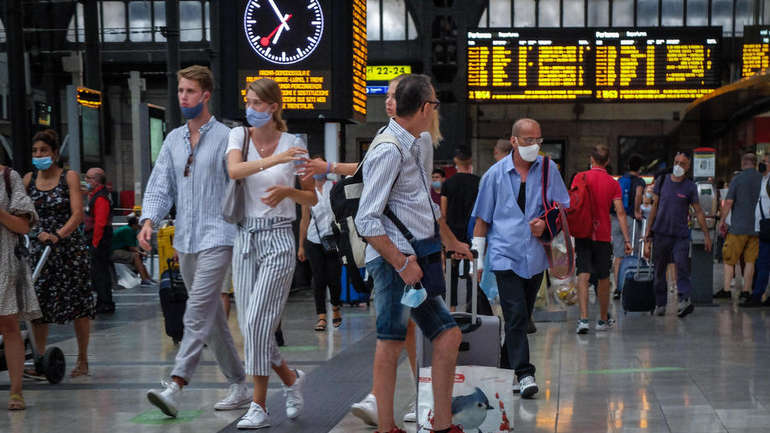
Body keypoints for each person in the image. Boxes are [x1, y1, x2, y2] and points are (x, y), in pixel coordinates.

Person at [356, 74, 472, 433]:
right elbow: (367, 219)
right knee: (391, 340)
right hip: (396, 262)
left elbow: (419, 202)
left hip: (413, 258)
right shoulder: (389, 148)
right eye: (434, 103)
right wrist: (402, 262)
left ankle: (441, 423)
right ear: (424, 108)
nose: (435, 109)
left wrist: (447, 241)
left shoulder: (414, 143)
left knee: (446, 335)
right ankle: (387, 426)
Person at [140, 66, 249, 418]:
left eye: (189, 91)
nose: (183, 97)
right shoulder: (172, 140)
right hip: (185, 238)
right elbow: (160, 185)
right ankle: (239, 384)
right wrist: (148, 220)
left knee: (198, 308)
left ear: (206, 94)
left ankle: (176, 384)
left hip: (220, 234)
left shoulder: (227, 138)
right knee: (212, 318)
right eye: (180, 91)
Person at [226, 77, 315, 429]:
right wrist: (277, 160)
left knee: (256, 323)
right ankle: (292, 379)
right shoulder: (239, 137)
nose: (251, 109)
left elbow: (311, 197)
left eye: (258, 104)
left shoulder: (297, 144)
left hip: (278, 238)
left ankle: (259, 406)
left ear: (274, 106)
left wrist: (287, 193)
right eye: (248, 102)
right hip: (244, 237)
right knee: (253, 330)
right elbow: (234, 170)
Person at [472, 118, 570, 399]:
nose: (534, 146)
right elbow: (482, 220)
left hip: (536, 254)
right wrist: (478, 261)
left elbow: (563, 209)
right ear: (514, 141)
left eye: (538, 140)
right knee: (515, 315)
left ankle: (504, 368)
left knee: (522, 317)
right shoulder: (494, 175)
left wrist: (546, 222)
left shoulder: (549, 171)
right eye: (528, 140)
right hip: (504, 254)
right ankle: (526, 373)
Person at [23, 129, 93, 378]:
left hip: (68, 250)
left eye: (43, 150)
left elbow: (77, 213)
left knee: (78, 304)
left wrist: (59, 235)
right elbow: (24, 213)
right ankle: (40, 359)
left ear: (54, 153)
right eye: (35, 151)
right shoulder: (28, 180)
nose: (39, 155)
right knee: (37, 305)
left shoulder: (69, 177)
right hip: (40, 249)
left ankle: (83, 359)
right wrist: (38, 232)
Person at [644, 151, 712, 317]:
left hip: (680, 235)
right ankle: (660, 303)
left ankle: (684, 300)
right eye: (676, 162)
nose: (678, 166)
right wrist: (648, 233)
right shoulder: (662, 181)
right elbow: (654, 207)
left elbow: (699, 212)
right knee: (659, 270)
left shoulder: (690, 187)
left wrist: (706, 235)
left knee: (682, 266)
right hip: (661, 233)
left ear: (688, 167)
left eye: (682, 163)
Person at [575, 145, 632, 334]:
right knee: (603, 277)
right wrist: (627, 239)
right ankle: (602, 319)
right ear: (607, 161)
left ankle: (583, 319)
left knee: (583, 273)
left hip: (583, 232)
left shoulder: (580, 177)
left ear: (591, 158)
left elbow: (572, 204)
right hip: (602, 235)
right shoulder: (612, 183)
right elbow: (621, 212)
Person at [0, 164, 40, 410]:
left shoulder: (8, 177)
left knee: (8, 324)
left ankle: (16, 391)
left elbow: (24, 226)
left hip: (4, 260)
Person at [298, 159, 343, 332]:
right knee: (318, 279)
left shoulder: (335, 186)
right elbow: (304, 219)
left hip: (333, 239)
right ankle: (321, 316)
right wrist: (301, 245)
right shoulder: (307, 191)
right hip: (313, 240)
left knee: (334, 278)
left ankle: (336, 308)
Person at [719, 153, 762, 304]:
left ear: (743, 163)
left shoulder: (737, 179)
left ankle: (726, 290)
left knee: (729, 259)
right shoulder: (762, 179)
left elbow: (729, 202)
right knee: (750, 261)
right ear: (755, 163)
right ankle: (746, 291)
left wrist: (722, 220)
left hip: (738, 227)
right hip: (756, 227)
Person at [441, 148, 480, 312]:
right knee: (473, 271)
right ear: (471, 161)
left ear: (456, 161)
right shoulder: (479, 182)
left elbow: (443, 212)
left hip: (452, 235)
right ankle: (474, 307)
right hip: (474, 233)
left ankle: (451, 308)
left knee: (451, 273)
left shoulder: (448, 184)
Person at [612, 155, 646, 299]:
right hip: (630, 219)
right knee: (632, 251)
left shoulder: (620, 180)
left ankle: (617, 288)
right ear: (640, 168)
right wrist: (637, 211)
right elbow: (638, 194)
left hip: (616, 218)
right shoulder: (639, 181)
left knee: (618, 255)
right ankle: (630, 284)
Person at [84, 168, 114, 314]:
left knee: (100, 271)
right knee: (99, 271)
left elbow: (100, 222)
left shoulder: (100, 198)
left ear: (96, 180)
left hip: (99, 240)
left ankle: (105, 302)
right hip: (99, 238)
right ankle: (104, 300)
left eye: (89, 178)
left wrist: (95, 243)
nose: (87, 181)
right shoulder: (98, 195)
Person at [747, 156, 770, 307]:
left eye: (766, 161)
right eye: (761, 161)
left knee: (763, 263)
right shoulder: (761, 180)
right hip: (764, 228)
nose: (762, 164)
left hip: (768, 227)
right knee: (763, 263)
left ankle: (757, 296)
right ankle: (758, 294)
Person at [110, 216, 154, 284]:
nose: (141, 225)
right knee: (135, 256)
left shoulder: (131, 230)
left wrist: (141, 252)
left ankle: (147, 278)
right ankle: (144, 279)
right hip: (112, 252)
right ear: (134, 225)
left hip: (117, 250)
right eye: (139, 224)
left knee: (138, 257)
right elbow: (132, 248)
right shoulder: (128, 230)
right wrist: (142, 253)